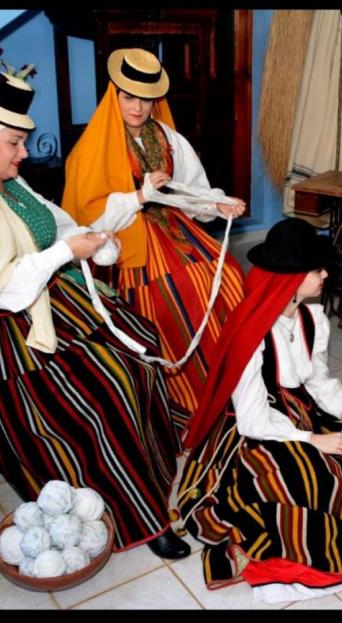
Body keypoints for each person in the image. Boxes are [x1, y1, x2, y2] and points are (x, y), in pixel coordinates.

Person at [0, 71, 190, 559]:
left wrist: (94, 242)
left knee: (139, 341)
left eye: (22, 142)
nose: (22, 154)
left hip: (41, 303)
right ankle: (138, 516)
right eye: (14, 143)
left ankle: (152, 471)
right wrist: (66, 251)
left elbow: (60, 224)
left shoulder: (12, 184)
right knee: (102, 393)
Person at [177, 218, 342, 601]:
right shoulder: (251, 332)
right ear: (289, 280)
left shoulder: (312, 317)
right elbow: (254, 419)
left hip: (303, 408)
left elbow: (319, 381)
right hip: (259, 427)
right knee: (307, 477)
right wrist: (312, 439)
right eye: (316, 269)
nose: (325, 274)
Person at [62, 48, 246, 425]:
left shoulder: (168, 138)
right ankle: (188, 401)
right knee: (180, 292)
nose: (138, 107)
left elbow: (192, 191)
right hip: (126, 243)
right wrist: (139, 196)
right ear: (114, 94)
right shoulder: (91, 148)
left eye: (146, 99)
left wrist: (219, 206)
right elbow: (90, 218)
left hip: (175, 229)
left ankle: (236, 389)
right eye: (129, 97)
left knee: (226, 273)